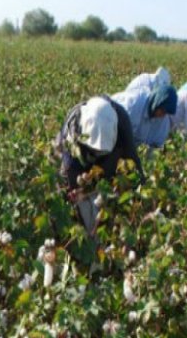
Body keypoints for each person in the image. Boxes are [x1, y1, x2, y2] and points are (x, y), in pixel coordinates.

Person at [55, 96, 145, 235]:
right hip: (78, 154)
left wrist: (140, 196)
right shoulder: (71, 131)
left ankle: (105, 227)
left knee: (110, 188)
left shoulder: (122, 121)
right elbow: (69, 175)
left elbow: (133, 161)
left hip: (109, 156)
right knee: (72, 194)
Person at [111, 84, 178, 149]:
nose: (163, 115)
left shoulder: (164, 123)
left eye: (166, 113)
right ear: (157, 103)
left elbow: (156, 146)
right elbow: (116, 132)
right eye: (162, 110)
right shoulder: (133, 106)